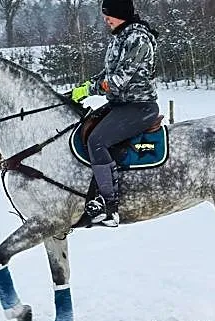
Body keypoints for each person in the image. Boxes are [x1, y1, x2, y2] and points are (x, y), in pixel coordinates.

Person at [71, 0, 160, 228]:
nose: (105, 19)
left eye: (109, 14)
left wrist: (90, 90)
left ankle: (109, 206)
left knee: (97, 140)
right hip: (120, 104)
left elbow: (119, 81)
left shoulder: (138, 38)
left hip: (139, 106)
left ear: (121, 14)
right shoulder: (119, 37)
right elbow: (108, 72)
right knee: (83, 128)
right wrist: (83, 87)